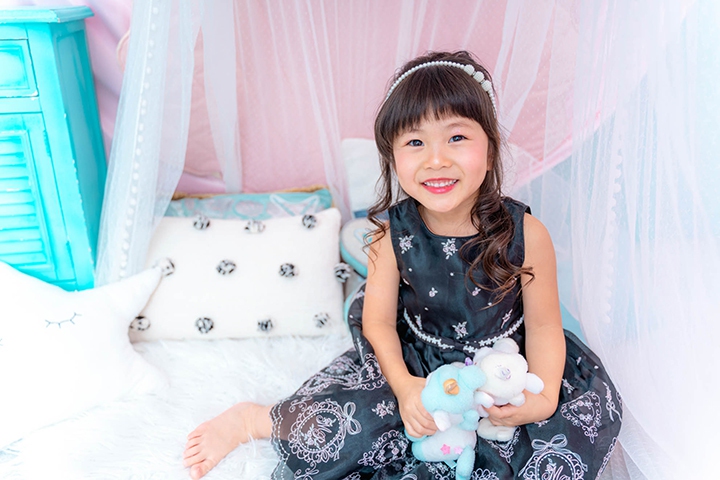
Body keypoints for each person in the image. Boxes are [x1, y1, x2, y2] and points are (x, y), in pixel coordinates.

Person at [182, 50, 622, 480]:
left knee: (553, 448)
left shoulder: (526, 233)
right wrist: (405, 386)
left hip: (504, 364)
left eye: (457, 137)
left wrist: (543, 399)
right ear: (393, 158)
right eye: (415, 142)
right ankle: (253, 419)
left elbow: (544, 326)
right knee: (353, 426)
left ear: (490, 151)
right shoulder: (390, 236)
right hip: (415, 361)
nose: (436, 159)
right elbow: (377, 324)